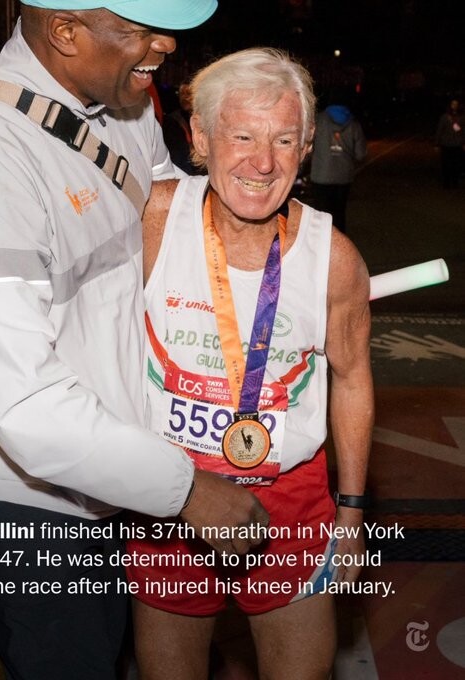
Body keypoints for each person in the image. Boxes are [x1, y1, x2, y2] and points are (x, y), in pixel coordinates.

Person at [0, 3, 270, 679]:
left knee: (108, 635)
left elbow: (165, 209)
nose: (165, 43)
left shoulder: (122, 101)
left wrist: (277, 257)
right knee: (71, 657)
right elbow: (27, 410)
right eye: (138, 29)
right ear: (65, 32)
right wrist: (189, 491)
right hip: (22, 491)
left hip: (103, 449)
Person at [126, 48, 374, 679]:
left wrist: (351, 511)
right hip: (169, 496)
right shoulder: (151, 221)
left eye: (284, 140)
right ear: (199, 138)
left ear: (307, 147)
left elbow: (351, 378)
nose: (263, 163)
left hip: (290, 501)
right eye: (242, 136)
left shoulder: (334, 258)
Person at [309, 87, 367, 233]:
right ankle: (338, 240)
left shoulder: (318, 120)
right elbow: (360, 154)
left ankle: (320, 240)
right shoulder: (354, 124)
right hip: (343, 177)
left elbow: (307, 147)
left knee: (320, 214)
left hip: (321, 176)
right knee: (339, 212)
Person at [162, 80, 201, 175]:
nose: (184, 97)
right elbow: (178, 157)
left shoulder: (206, 118)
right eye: (181, 94)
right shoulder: (172, 120)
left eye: (188, 93)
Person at [434, 98, 465, 189]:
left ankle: (455, 182)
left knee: (456, 164)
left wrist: (463, 142)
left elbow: (463, 131)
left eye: (456, 104)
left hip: (457, 144)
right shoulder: (444, 117)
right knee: (445, 164)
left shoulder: (462, 117)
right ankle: (446, 182)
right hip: (446, 144)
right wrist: (436, 143)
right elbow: (439, 130)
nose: (454, 106)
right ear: (450, 105)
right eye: (453, 104)